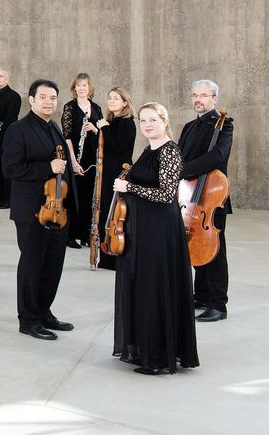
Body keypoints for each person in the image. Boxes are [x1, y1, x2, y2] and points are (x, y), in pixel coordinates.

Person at [112, 102, 200, 375]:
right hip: (141, 227)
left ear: (164, 121)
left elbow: (165, 195)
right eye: (143, 120)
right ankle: (144, 347)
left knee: (155, 286)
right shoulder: (148, 151)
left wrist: (129, 186)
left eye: (153, 120)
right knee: (142, 285)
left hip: (159, 230)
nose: (147, 125)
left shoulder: (170, 151)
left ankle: (160, 357)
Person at [3, 79, 75, 341]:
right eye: (43, 97)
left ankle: (44, 312)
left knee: (52, 264)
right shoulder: (17, 130)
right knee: (33, 264)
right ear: (31, 100)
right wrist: (48, 167)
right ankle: (28, 320)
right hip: (31, 210)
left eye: (53, 98)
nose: (49, 102)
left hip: (57, 209)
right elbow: (10, 169)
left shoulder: (54, 127)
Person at [180, 80, 234, 322]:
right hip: (190, 195)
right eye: (195, 95)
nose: (198, 99)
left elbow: (216, 157)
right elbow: (180, 154)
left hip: (213, 196)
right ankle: (200, 296)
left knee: (214, 250)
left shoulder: (224, 125)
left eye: (203, 95)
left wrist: (184, 171)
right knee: (195, 246)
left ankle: (218, 304)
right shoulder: (190, 126)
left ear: (215, 99)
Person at [95, 87, 136, 271]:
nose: (111, 101)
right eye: (109, 98)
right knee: (105, 211)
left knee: (116, 213)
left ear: (125, 102)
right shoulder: (113, 122)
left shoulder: (127, 123)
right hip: (108, 172)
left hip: (119, 173)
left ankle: (115, 255)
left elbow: (118, 147)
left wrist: (104, 128)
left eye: (116, 98)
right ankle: (106, 255)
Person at [61, 73, 103, 249]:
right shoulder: (69, 107)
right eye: (78, 85)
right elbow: (67, 137)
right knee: (73, 197)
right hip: (75, 157)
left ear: (89, 87)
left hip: (91, 158)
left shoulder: (97, 108)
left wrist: (94, 129)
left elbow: (103, 132)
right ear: (74, 88)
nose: (81, 88)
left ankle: (85, 234)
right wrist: (73, 162)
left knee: (88, 196)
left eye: (84, 85)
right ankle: (70, 235)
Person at [0, 67, 21, 209]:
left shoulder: (14, 97)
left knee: (3, 168)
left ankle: (8, 198)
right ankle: (2, 195)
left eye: (1, 76)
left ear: (7, 79)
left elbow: (10, 119)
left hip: (6, 138)